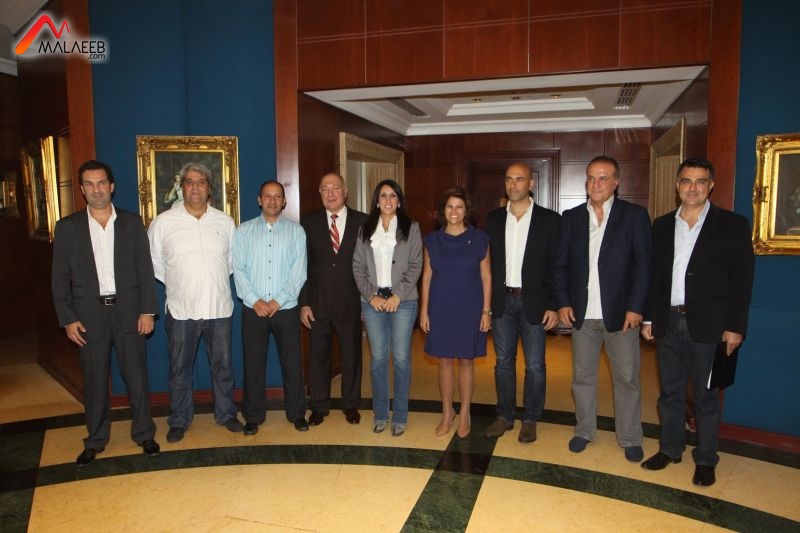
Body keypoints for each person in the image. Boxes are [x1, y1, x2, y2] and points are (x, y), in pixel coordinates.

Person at [641, 158, 754, 487]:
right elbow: (654, 277)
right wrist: (649, 318)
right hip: (668, 321)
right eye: (686, 181)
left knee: (705, 397)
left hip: (710, 326)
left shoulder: (732, 224)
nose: (692, 188)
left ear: (711, 185)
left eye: (700, 181)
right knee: (670, 393)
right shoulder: (662, 225)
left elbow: (741, 280)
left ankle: (705, 459)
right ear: (677, 185)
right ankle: (670, 449)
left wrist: (735, 327)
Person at [51, 160, 160, 466]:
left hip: (129, 313)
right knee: (95, 382)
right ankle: (96, 440)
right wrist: (67, 318)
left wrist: (148, 311)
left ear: (111, 186)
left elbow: (145, 271)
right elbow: (59, 277)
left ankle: (144, 434)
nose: (96, 189)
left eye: (101, 183)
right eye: (89, 184)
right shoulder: (67, 228)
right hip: (88, 317)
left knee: (137, 378)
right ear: (82, 189)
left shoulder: (131, 223)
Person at [553, 155, 652, 461]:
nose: (596, 184)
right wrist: (562, 302)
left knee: (627, 379)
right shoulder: (571, 218)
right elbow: (560, 265)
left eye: (603, 178)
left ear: (616, 182)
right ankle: (584, 430)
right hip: (582, 315)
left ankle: (630, 436)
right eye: (591, 178)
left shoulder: (634, 216)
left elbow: (644, 267)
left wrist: (636, 307)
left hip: (621, 316)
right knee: (582, 378)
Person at [148, 162, 244, 443]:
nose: (195, 187)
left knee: (223, 367)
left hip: (219, 308)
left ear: (209, 188)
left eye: (201, 182)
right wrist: (180, 282)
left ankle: (226, 414)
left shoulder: (225, 222)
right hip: (181, 310)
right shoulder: (163, 223)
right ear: (181, 187)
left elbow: (231, 262)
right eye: (189, 182)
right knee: (179, 369)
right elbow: (154, 262)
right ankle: (179, 419)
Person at [483, 162, 561, 443]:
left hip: (535, 302)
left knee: (535, 365)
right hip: (502, 301)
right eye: (508, 179)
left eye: (519, 179)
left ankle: (531, 418)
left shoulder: (550, 220)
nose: (513, 184)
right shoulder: (493, 219)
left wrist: (554, 304)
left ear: (531, 184)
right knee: (503, 362)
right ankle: (505, 415)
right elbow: (486, 265)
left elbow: (557, 265)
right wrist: (485, 305)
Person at [233, 181, 308, 433]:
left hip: (285, 309)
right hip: (253, 309)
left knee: (292, 364)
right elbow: (238, 269)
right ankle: (253, 416)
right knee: (253, 365)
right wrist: (255, 300)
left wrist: (277, 301)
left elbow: (299, 273)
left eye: (277, 197)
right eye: (267, 196)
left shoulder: (296, 232)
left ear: (284, 201)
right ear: (259, 200)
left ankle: (297, 414)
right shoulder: (243, 232)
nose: (272, 201)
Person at [353, 179, 422, 437]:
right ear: (377, 201)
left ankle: (400, 417)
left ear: (399, 201)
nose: (388, 200)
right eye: (383, 195)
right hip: (373, 303)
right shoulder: (365, 229)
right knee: (378, 359)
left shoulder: (411, 227)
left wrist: (397, 295)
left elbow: (416, 264)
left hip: (402, 302)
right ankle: (380, 414)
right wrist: (371, 296)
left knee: (401, 359)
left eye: (393, 195)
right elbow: (357, 266)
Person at [420, 188, 490, 439]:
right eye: (450, 206)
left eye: (459, 206)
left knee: (466, 360)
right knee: (445, 361)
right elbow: (426, 278)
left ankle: (465, 413)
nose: (454, 211)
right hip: (441, 307)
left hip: (470, 308)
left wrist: (486, 311)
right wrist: (424, 311)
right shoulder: (432, 240)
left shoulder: (480, 239)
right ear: (443, 211)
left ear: (466, 211)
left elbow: (486, 277)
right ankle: (447, 412)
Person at [299, 173, 368, 426]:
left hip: (352, 302)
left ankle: (351, 405)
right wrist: (304, 303)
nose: (330, 193)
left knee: (351, 356)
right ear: (320, 193)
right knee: (318, 357)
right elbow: (302, 266)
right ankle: (319, 406)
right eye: (325, 189)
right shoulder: (308, 223)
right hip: (317, 303)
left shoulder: (364, 222)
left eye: (335, 188)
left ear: (345, 191)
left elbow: (370, 266)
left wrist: (367, 299)